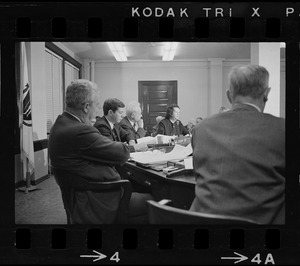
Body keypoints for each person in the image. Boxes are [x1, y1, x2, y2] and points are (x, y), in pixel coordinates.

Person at [190, 65, 285, 224]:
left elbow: (198, 175)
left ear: (229, 95)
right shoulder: (282, 129)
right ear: (266, 93)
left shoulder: (201, 128)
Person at [49, 80, 153, 224]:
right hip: (98, 200)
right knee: (156, 199)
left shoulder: (60, 125)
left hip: (80, 195)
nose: (98, 110)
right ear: (86, 107)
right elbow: (121, 153)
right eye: (96, 105)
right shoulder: (80, 131)